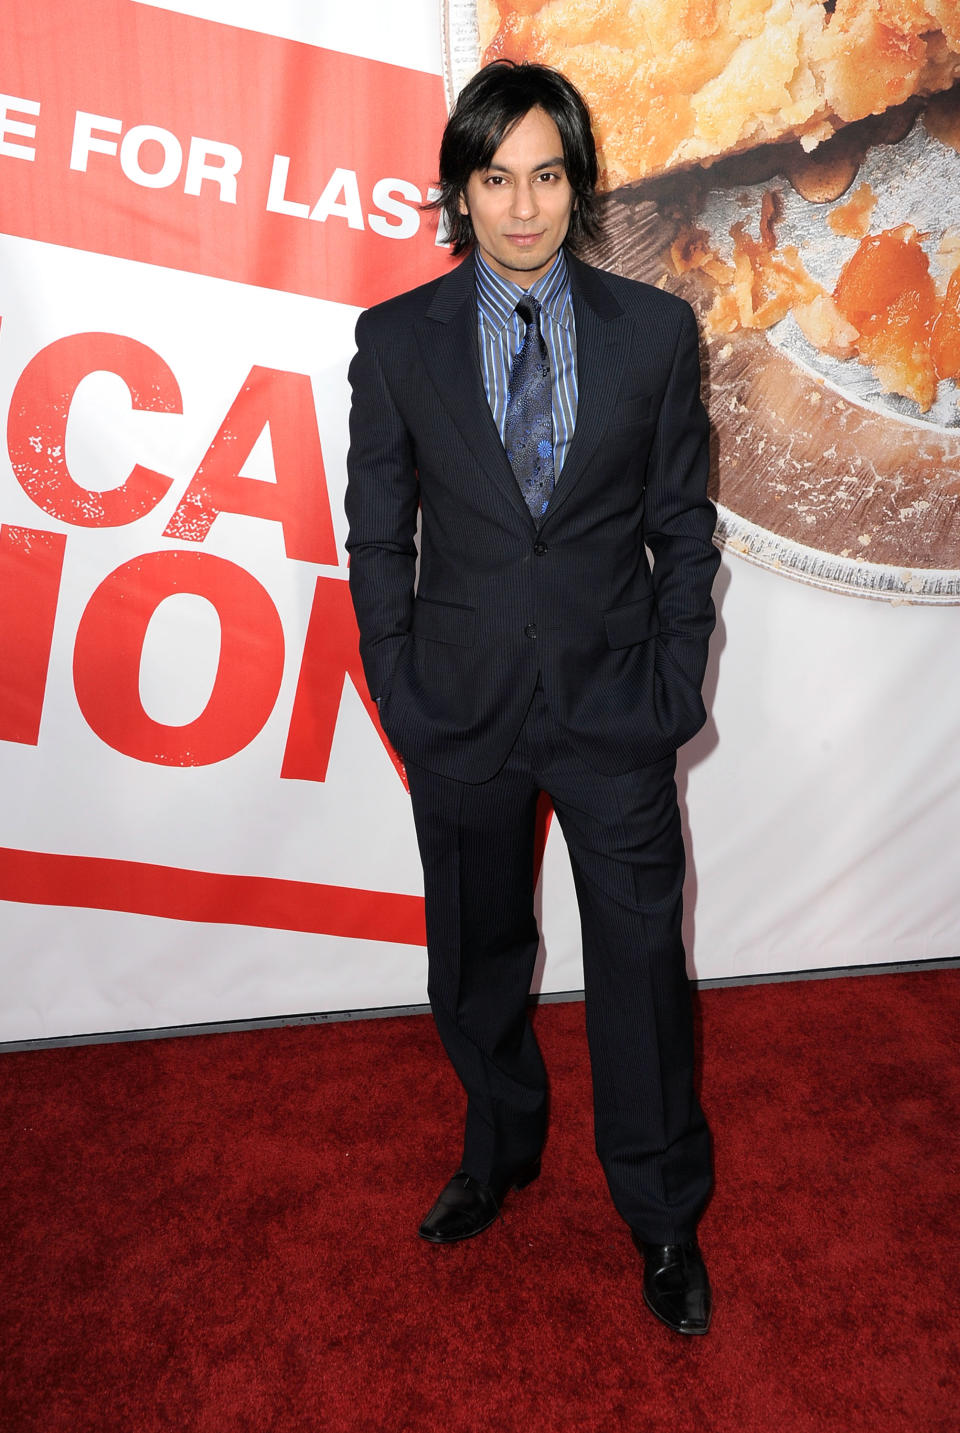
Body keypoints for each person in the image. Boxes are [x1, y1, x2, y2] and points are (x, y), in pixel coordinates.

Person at [344, 60, 720, 1337]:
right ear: (460, 188)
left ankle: (664, 1212)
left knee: (640, 971)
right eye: (495, 177)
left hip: (618, 707)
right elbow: (377, 536)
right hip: (460, 709)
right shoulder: (396, 342)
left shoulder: (656, 334)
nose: (522, 207)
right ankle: (499, 1147)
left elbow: (684, 524)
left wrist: (674, 684)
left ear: (579, 182)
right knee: (478, 959)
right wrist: (398, 683)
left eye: (546, 175)